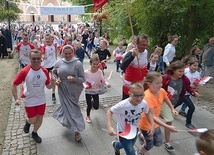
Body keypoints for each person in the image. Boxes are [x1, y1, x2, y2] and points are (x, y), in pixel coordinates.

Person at [11, 49, 55, 143]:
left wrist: (53, 82)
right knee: (33, 119)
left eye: (38, 58)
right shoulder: (24, 71)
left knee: (40, 118)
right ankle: (28, 122)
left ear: (41, 59)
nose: (36, 61)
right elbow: (13, 84)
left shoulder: (44, 71)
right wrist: (16, 99)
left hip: (41, 99)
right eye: (33, 58)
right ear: (29, 58)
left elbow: (48, 86)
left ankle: (34, 132)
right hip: (29, 99)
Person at [107, 81, 154, 155]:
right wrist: (109, 127)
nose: (139, 98)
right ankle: (117, 145)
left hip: (134, 130)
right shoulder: (123, 105)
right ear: (129, 94)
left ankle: (116, 145)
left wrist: (152, 125)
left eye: (141, 95)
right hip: (123, 132)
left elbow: (148, 112)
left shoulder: (143, 103)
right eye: (136, 96)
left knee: (126, 145)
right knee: (131, 152)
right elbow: (110, 111)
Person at [161, 60, 200, 151]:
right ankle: (167, 142)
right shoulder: (166, 78)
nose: (181, 73)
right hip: (163, 101)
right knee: (169, 120)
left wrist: (194, 92)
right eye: (179, 71)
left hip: (174, 101)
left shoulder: (184, 79)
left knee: (157, 117)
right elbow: (159, 87)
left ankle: (147, 128)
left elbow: (188, 88)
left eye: (183, 71)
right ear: (174, 70)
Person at [138, 72, 178, 154]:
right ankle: (139, 153)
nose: (160, 85)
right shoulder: (147, 97)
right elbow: (152, 116)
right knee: (149, 145)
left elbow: (166, 98)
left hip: (156, 123)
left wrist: (172, 108)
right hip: (146, 125)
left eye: (161, 82)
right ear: (149, 84)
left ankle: (141, 135)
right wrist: (167, 126)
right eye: (157, 83)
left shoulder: (161, 91)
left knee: (158, 142)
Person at [52, 45, 85, 142]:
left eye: (69, 53)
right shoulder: (59, 62)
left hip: (74, 90)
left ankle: (67, 120)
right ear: (62, 53)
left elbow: (82, 79)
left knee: (73, 109)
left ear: (73, 53)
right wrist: (56, 79)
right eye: (65, 53)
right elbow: (54, 73)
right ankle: (76, 131)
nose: (67, 55)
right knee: (67, 108)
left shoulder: (78, 64)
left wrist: (74, 78)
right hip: (62, 88)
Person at [174, 58, 201, 129]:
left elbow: (196, 84)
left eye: (197, 66)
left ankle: (171, 108)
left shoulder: (198, 74)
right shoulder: (184, 72)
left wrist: (195, 90)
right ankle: (188, 123)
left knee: (179, 102)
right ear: (189, 65)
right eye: (194, 65)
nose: (195, 67)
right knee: (192, 107)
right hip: (182, 92)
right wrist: (191, 87)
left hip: (189, 92)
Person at [120, 34, 148, 100]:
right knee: (126, 103)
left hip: (140, 83)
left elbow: (145, 64)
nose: (145, 47)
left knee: (138, 103)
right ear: (137, 44)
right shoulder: (131, 53)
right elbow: (122, 67)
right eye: (143, 45)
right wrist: (132, 56)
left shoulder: (146, 52)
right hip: (130, 84)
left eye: (146, 45)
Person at [84, 54, 111, 123]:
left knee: (96, 107)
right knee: (89, 105)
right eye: (94, 64)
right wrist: (85, 86)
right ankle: (88, 116)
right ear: (90, 63)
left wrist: (107, 84)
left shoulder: (99, 72)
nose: (95, 66)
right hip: (88, 91)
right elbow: (83, 81)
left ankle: (93, 103)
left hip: (96, 90)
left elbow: (103, 79)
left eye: (97, 64)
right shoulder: (86, 73)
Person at [41, 33, 57, 101]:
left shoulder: (54, 46)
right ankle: (42, 92)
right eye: (46, 39)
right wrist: (43, 57)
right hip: (46, 65)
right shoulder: (44, 47)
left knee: (53, 79)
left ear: (51, 39)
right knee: (44, 80)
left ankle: (53, 93)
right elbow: (42, 54)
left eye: (48, 39)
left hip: (53, 64)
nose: (47, 40)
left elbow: (55, 54)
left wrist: (56, 62)